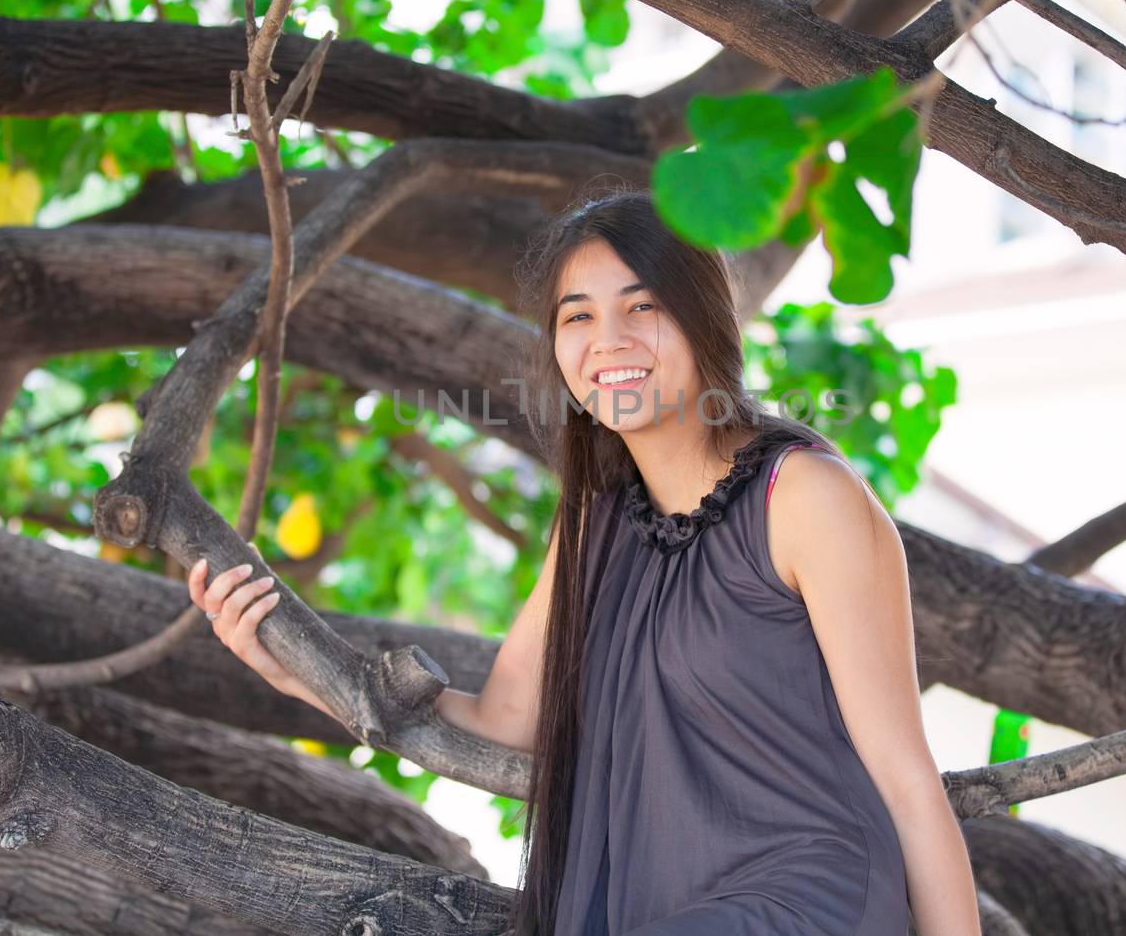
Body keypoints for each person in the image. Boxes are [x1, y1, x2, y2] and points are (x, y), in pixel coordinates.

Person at [188, 189, 981, 935]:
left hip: (808, 901)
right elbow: (504, 720)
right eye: (579, 316)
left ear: (707, 318)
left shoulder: (801, 494)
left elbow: (908, 777)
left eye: (644, 306)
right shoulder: (594, 521)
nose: (610, 341)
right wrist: (296, 667)